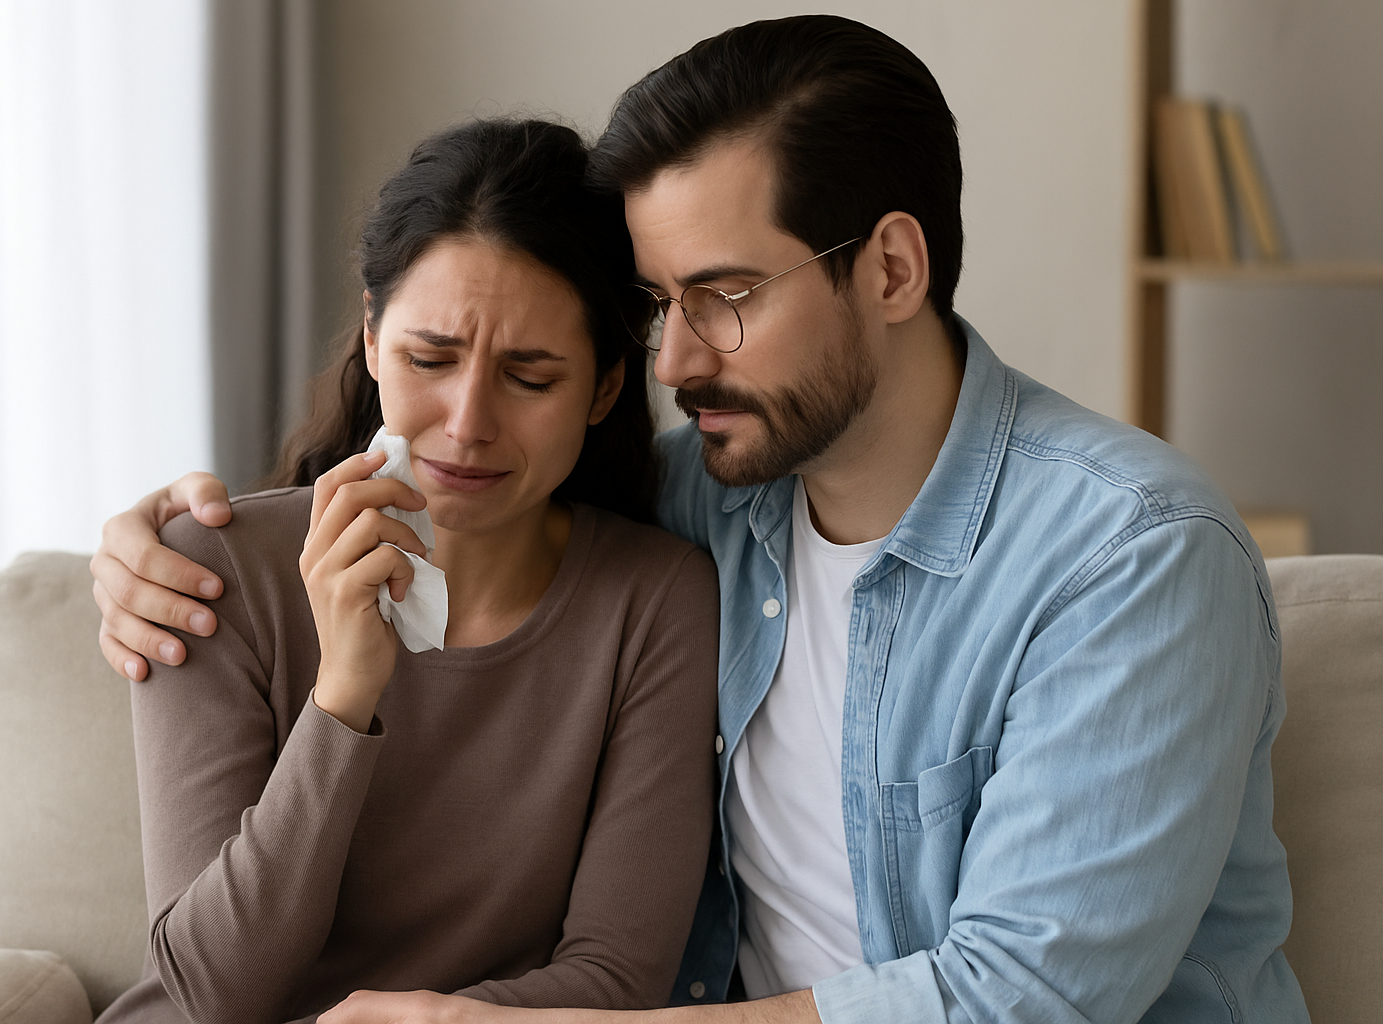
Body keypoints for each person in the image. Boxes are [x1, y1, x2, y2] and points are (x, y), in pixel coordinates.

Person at [92, 16, 1311, 1024]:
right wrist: (144, 547)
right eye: (658, 304)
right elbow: (480, 492)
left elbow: (1023, 999)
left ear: (891, 269)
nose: (674, 358)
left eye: (723, 298)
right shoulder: (704, 501)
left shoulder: (1133, 559)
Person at [92, 118, 721, 1024]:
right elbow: (212, 993)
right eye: (430, 358)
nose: (467, 422)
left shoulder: (655, 602)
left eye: (531, 378)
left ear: (606, 387)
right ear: (373, 338)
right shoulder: (203, 574)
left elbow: (616, 981)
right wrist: (344, 694)